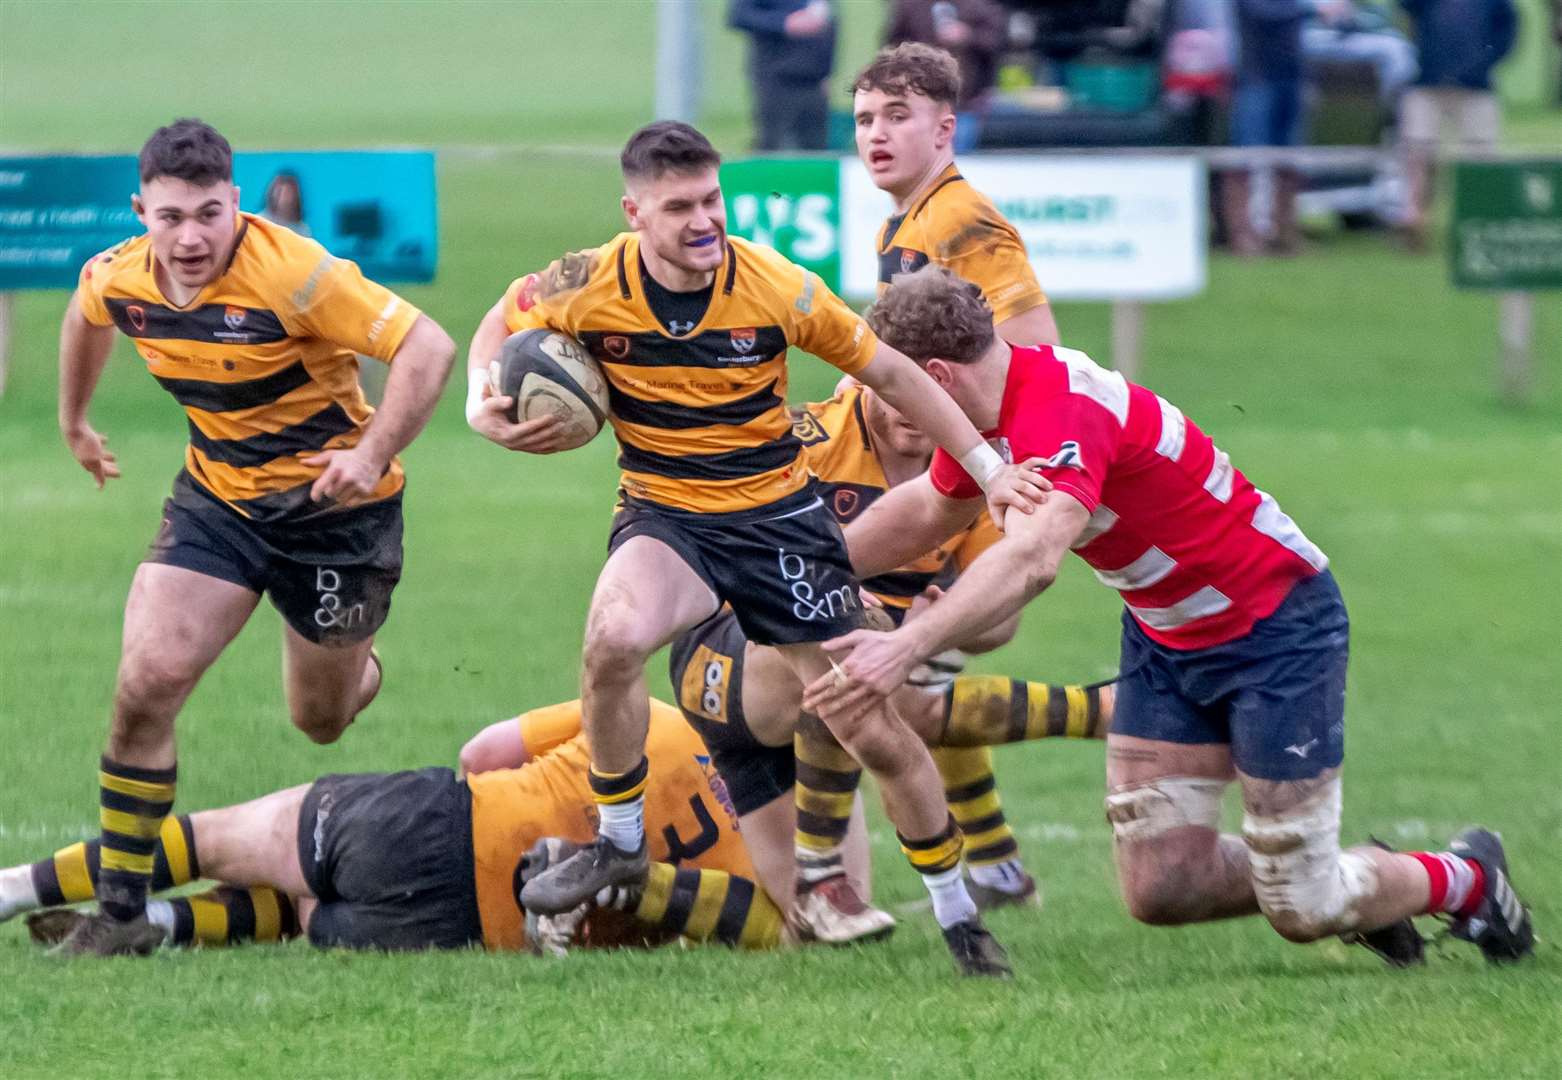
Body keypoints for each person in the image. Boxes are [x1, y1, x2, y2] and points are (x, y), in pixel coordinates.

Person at [805, 265, 1535, 968]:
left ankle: (1465, 878)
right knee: (1161, 889)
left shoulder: (1061, 410)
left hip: (1277, 628)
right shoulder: (988, 419)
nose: (882, 401)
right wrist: (795, 573)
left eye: (892, 385)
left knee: (1302, 905)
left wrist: (905, 647)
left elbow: (1031, 561)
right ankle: (1366, 892)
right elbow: (931, 511)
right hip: (1167, 640)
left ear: (936, 377)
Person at [465, 122, 1044, 975]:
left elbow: (893, 375)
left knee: (870, 724)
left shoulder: (775, 285)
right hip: (667, 516)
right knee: (613, 639)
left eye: (712, 201)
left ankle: (961, 916)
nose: (705, 221)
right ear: (635, 213)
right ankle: (619, 841)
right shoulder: (586, 280)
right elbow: (500, 321)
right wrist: (486, 399)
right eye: (680, 208)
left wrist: (990, 467)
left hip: (780, 523)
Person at [53, 119, 456, 956]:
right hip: (219, 503)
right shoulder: (122, 275)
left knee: (320, 719)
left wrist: (371, 450)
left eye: (209, 213)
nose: (191, 237)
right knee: (146, 683)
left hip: (338, 521)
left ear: (236, 201)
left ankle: (356, 663)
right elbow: (88, 314)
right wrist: (75, 421)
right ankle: (123, 914)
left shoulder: (297, 275)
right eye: (171, 218)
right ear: (141, 212)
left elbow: (430, 345)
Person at [1, 701, 784, 956]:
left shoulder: (656, 717)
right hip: (451, 932)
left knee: (217, 839)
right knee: (304, 910)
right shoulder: (752, 862)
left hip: (437, 826)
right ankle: (164, 925)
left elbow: (482, 752)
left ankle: (15, 889)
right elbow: (758, 930)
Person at [851, 43, 1059, 347]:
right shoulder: (897, 226)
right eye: (865, 120)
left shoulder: (960, 218)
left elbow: (1037, 350)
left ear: (944, 131)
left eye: (897, 116)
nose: (876, 134)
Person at [1397, 0, 1519, 248]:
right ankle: (1415, 217)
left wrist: (1484, 63)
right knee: (1418, 152)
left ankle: (1479, 221)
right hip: (1428, 79)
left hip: (1476, 84)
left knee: (1480, 156)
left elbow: (1507, 30)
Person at [883, 2, 1009, 152]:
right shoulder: (911, 6)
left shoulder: (982, 6)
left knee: (959, 158)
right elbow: (891, 47)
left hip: (968, 102)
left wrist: (968, 35)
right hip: (919, 99)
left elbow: (998, 41)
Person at [728, 0, 837, 152]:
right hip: (776, 77)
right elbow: (739, 15)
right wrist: (784, 23)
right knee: (775, 146)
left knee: (815, 147)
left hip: (814, 80)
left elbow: (830, 22)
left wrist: (827, 71)